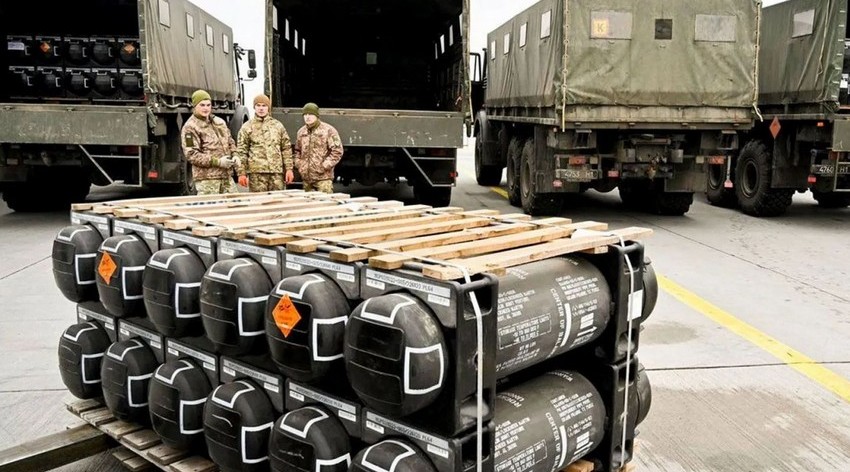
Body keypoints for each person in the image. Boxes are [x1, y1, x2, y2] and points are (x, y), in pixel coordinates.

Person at [181, 89, 238, 195]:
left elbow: (230, 141)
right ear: (195, 106)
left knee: (235, 207)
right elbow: (192, 154)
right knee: (210, 209)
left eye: (208, 105)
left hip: (226, 177)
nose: (205, 108)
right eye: (202, 105)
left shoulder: (219, 122)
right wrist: (218, 162)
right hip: (207, 179)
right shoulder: (190, 127)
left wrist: (235, 155)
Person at [234, 94, 294, 192]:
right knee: (258, 203)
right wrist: (241, 173)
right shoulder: (247, 127)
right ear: (254, 107)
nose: (261, 108)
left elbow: (286, 149)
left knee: (277, 203)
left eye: (264, 106)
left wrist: (289, 169)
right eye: (258, 105)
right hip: (257, 175)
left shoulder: (278, 126)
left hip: (276, 174)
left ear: (268, 108)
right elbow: (241, 152)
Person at [294, 102, 343, 193]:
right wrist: (300, 165)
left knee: (325, 204)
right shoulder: (301, 132)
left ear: (317, 115)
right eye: (305, 114)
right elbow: (297, 151)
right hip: (306, 179)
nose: (307, 117)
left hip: (323, 179)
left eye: (311, 114)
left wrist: (324, 166)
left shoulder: (328, 130)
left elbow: (337, 151)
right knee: (308, 205)